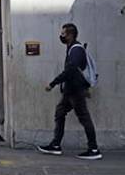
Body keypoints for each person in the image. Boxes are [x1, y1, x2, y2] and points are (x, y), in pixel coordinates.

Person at [38, 23, 101, 160]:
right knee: (60, 113)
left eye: (63, 34)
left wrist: (53, 83)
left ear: (70, 35)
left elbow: (71, 70)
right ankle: (55, 145)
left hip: (75, 91)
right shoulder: (71, 49)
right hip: (70, 91)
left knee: (84, 118)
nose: (61, 36)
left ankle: (94, 149)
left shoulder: (76, 50)